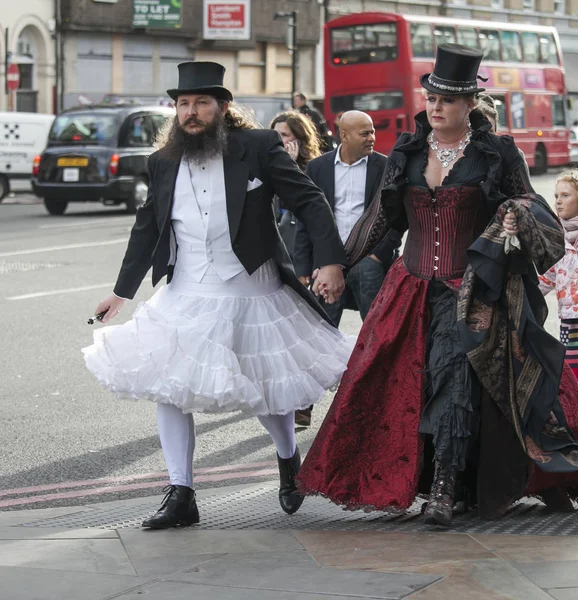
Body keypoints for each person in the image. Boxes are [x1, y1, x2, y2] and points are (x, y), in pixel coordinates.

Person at [297, 45, 578, 527]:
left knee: (456, 376)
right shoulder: (408, 150)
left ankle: (443, 488)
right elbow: (381, 217)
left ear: (469, 107)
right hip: (412, 285)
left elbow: (530, 203)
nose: (435, 107)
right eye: (431, 97)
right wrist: (336, 263)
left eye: (448, 101)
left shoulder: (497, 153)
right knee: (399, 384)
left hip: (475, 289)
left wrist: (514, 213)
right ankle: (442, 483)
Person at [83, 61, 355, 530]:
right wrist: (120, 292)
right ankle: (180, 493)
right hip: (185, 292)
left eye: (201, 103)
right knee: (168, 388)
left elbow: (308, 199)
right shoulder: (162, 160)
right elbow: (147, 227)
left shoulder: (258, 146)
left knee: (268, 390)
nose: (191, 112)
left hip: (253, 289)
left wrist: (330, 261)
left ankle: (288, 458)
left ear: (222, 107)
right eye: (183, 104)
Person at [295, 110, 402, 327]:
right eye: (364, 134)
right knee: (322, 330)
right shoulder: (318, 167)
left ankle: (376, 359)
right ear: (344, 136)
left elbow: (397, 217)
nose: (372, 138)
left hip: (368, 260)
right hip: (327, 259)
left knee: (377, 329)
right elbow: (308, 218)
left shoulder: (386, 167)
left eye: (372, 132)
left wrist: (378, 256)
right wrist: (303, 267)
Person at [540, 170, 578, 415]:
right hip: (571, 323)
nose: (558, 201)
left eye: (565, 195)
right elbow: (547, 278)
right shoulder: (556, 239)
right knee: (576, 386)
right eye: (556, 195)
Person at [270, 110, 322, 256]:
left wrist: (290, 167)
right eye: (275, 135)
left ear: (300, 140)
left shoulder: (314, 169)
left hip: (299, 249)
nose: (278, 140)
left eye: (284, 135)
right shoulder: (266, 166)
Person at [477, 94, 529, 174]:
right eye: (480, 131)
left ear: (495, 130)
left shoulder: (513, 156)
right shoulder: (458, 158)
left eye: (490, 131)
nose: (486, 137)